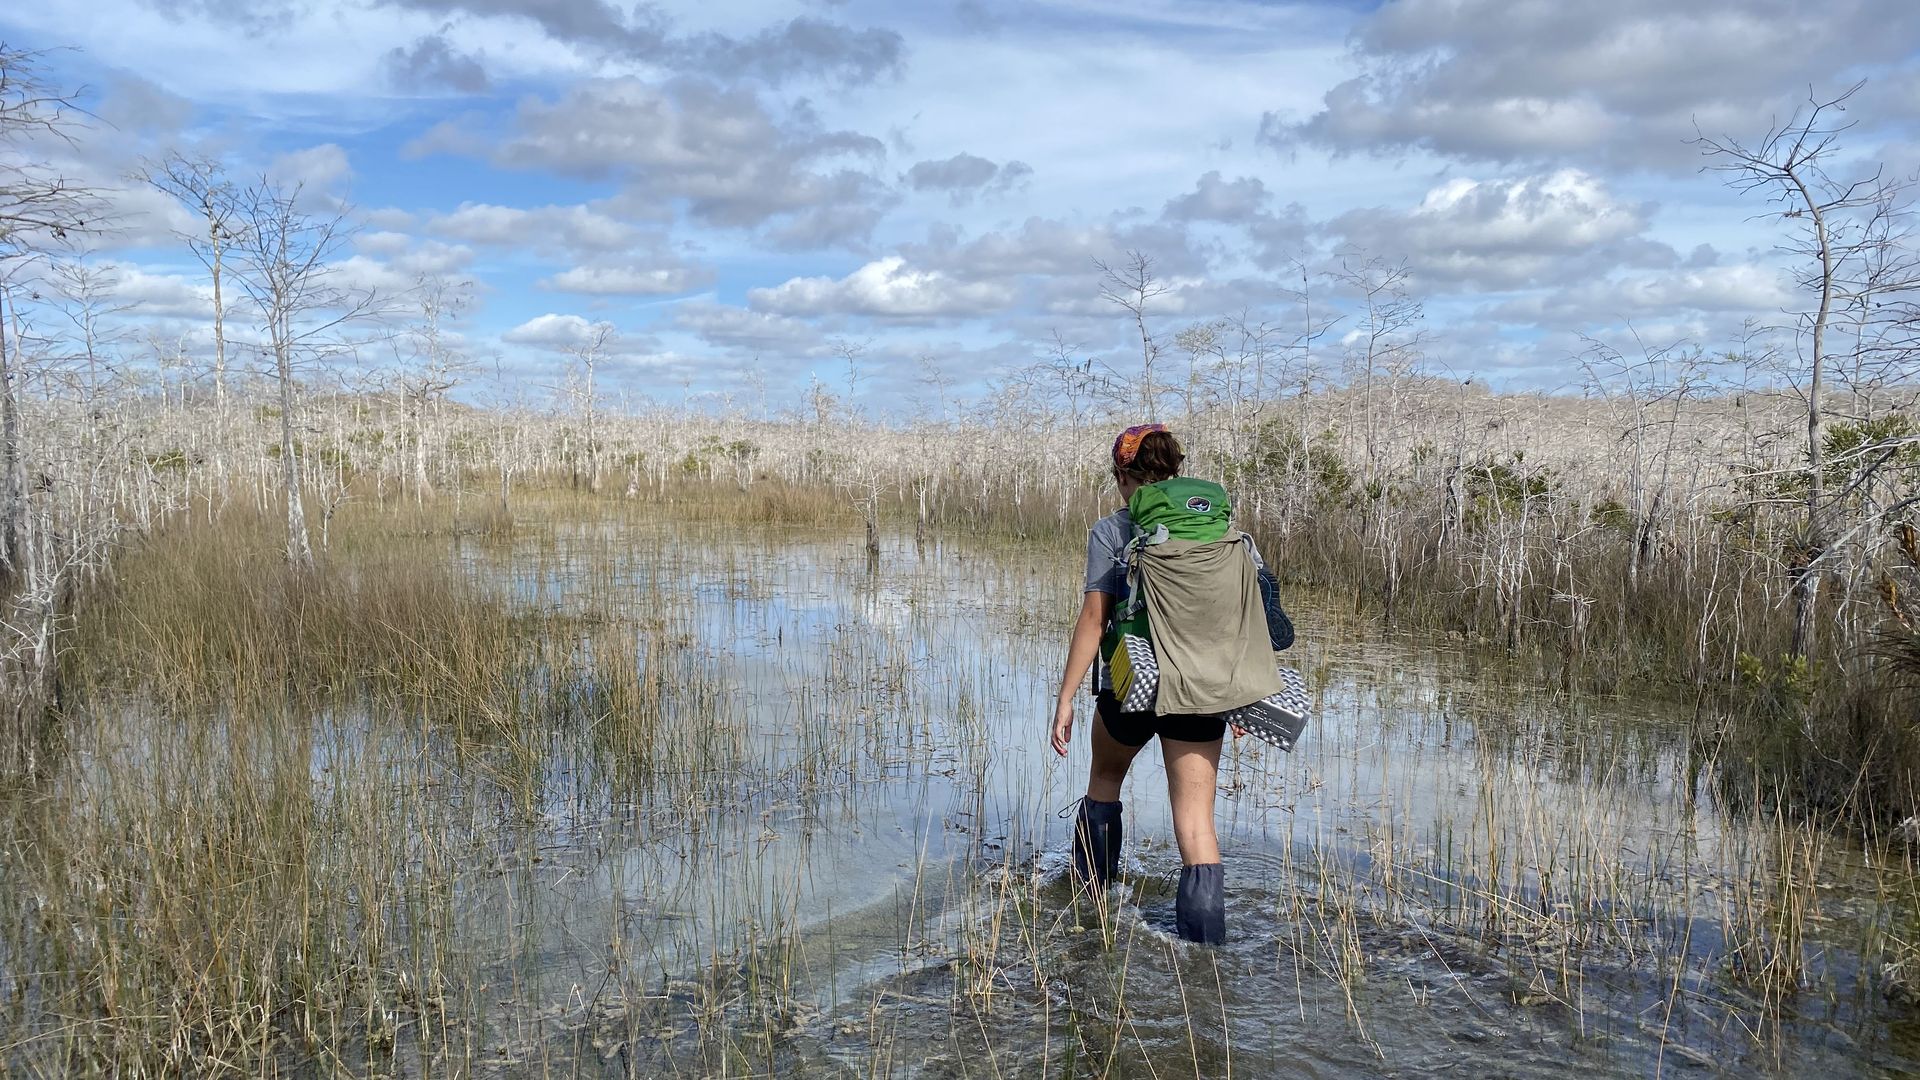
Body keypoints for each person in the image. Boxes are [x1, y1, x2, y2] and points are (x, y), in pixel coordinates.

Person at [1051, 423, 1257, 946]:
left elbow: (1094, 622)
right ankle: (1206, 960)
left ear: (1123, 476)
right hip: (1203, 691)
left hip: (1131, 684)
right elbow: (1238, 619)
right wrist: (1236, 694)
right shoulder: (1220, 534)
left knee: (1103, 782)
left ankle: (1089, 914)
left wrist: (1066, 697)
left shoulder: (1112, 531)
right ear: (1176, 471)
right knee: (1196, 828)